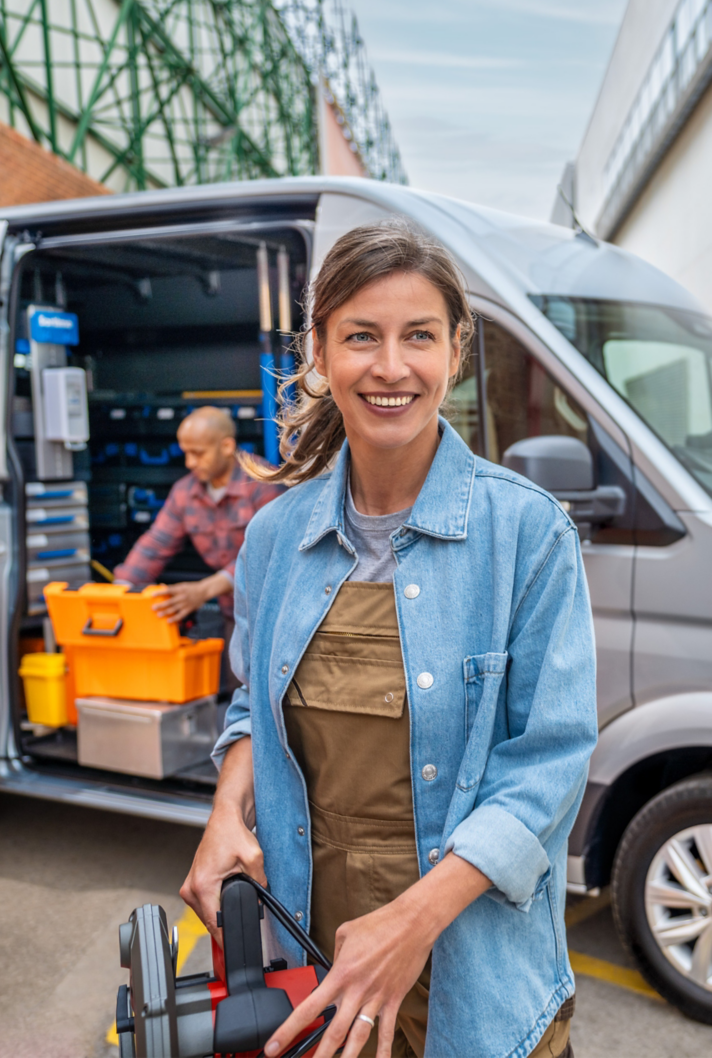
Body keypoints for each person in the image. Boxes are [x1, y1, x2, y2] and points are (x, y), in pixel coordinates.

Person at [180, 223, 597, 1058]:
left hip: (477, 980)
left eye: (420, 336)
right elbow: (248, 701)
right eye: (361, 336)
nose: (391, 366)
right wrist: (227, 811)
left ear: (455, 350)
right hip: (320, 963)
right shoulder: (275, 540)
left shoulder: (526, 534)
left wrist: (409, 926)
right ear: (320, 353)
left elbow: (546, 768)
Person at [113, 406, 282, 692]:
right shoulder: (185, 491)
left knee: (270, 696)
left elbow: (270, 555)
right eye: (185, 453)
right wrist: (119, 593)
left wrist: (204, 590)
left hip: (275, 618)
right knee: (239, 696)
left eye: (198, 453)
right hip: (235, 616)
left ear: (227, 446)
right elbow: (155, 546)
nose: (190, 462)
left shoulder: (264, 484)